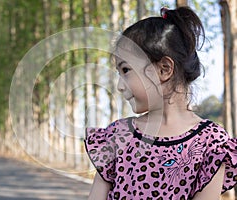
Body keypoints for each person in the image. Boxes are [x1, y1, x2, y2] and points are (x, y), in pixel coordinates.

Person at [84, 6, 237, 200]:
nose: (119, 86)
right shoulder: (118, 136)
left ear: (164, 69)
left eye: (125, 70)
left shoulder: (211, 144)